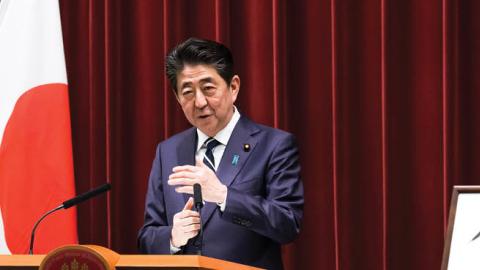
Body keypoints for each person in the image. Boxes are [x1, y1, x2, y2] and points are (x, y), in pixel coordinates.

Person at [137, 37, 304, 269]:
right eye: (187, 92)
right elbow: (147, 236)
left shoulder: (274, 145)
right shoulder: (168, 151)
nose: (200, 102)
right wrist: (173, 238)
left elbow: (287, 224)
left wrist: (224, 196)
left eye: (208, 88)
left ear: (233, 87)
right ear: (177, 97)